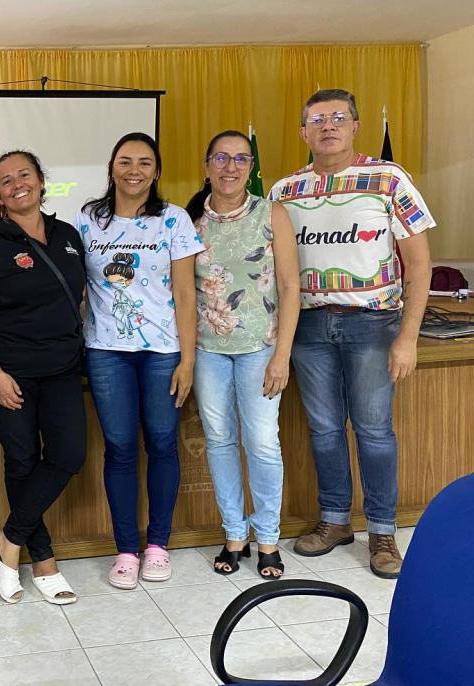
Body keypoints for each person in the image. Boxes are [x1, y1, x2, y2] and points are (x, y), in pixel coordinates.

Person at [269, 89, 435, 579]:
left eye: (338, 117)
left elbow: (419, 264)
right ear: (303, 132)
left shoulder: (389, 179)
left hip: (373, 324)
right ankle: (336, 520)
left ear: (355, 126)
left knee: (374, 431)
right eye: (317, 119)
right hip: (308, 327)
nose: (328, 126)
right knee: (323, 430)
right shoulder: (284, 192)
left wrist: (408, 337)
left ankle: (382, 531)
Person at [0, 150, 85, 606]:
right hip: (10, 374)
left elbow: (80, 296)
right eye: (6, 181)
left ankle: (7, 541)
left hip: (63, 368)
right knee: (22, 460)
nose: (17, 185)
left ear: (41, 181)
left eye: (24, 175)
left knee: (69, 454)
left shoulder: (68, 236)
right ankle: (43, 561)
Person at [75, 132, 202, 588]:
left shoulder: (174, 219)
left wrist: (188, 360)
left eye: (145, 162)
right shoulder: (88, 219)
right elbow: (76, 285)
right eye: (125, 161)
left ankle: (158, 546)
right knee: (120, 447)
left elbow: (185, 294)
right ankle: (126, 550)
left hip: (163, 352)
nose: (135, 170)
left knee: (163, 443)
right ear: (112, 167)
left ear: (157, 170)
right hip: (106, 351)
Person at [185, 130, 300, 578]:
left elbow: (289, 286)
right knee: (220, 441)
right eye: (221, 158)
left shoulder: (271, 213)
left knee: (263, 442)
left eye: (240, 159)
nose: (230, 167)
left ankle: (267, 537)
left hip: (261, 348)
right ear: (207, 165)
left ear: (250, 167)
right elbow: (183, 291)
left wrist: (282, 354)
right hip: (209, 351)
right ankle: (235, 534)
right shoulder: (190, 219)